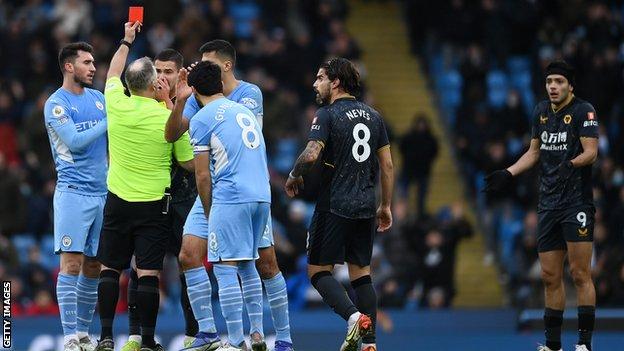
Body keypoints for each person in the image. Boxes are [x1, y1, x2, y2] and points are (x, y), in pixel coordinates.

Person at [169, 40, 293, 351]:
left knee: (245, 263)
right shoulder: (222, 106)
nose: (199, 67)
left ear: (225, 65)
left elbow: (201, 173)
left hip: (225, 189)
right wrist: (182, 101)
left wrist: (214, 213)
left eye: (205, 64)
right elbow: (171, 133)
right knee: (190, 254)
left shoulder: (249, 94)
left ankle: (243, 339)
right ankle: (211, 334)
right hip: (249, 189)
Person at [484, 61, 599, 351]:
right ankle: (553, 345)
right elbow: (534, 152)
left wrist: (569, 165)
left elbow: (592, 153)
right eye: (550, 81)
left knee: (580, 273)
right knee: (549, 276)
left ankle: (584, 343)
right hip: (548, 204)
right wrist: (508, 172)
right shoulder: (541, 112)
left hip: (576, 203)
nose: (553, 86)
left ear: (570, 86)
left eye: (559, 81)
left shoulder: (584, 111)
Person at [94, 22, 194, 351]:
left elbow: (113, 72)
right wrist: (171, 102)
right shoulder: (167, 119)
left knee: (110, 269)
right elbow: (186, 160)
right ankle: (148, 341)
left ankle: (107, 336)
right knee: (148, 274)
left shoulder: (115, 103)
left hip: (118, 200)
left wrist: (126, 39)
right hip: (154, 205)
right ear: (155, 84)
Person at [284, 58, 394, 351]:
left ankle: (354, 317)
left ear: (335, 82)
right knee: (362, 274)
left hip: (334, 204)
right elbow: (388, 165)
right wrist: (385, 206)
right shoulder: (374, 116)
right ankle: (370, 344)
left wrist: (294, 175)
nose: (314, 84)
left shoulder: (327, 114)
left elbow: (310, 154)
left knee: (318, 272)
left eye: (320, 78)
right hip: (365, 206)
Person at [184, 60, 271, 351]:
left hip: (232, 196)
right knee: (247, 263)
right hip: (261, 195)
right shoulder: (244, 110)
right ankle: (257, 333)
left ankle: (235, 342)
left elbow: (202, 173)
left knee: (223, 266)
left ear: (193, 90)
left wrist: (210, 212)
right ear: (221, 85)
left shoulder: (202, 118)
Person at [122, 48, 200, 351]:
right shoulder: (137, 104)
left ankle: (194, 334)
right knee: (141, 267)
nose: (161, 77)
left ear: (179, 74)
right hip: (148, 196)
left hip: (183, 196)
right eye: (157, 71)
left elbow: (186, 154)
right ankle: (136, 335)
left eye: (168, 72)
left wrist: (174, 101)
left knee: (188, 264)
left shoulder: (192, 104)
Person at [44, 41, 107, 351]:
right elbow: (75, 141)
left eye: (93, 62)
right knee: (71, 264)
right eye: (86, 62)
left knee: (94, 265)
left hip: (103, 194)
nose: (93, 67)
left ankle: (83, 334)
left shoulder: (98, 99)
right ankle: (69, 336)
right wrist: (111, 122)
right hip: (73, 194)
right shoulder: (56, 104)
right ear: (69, 67)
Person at [398, 114, 438, 218]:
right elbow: (401, 148)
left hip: (423, 171)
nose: (421, 127)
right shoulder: (409, 137)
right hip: (408, 170)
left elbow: (435, 152)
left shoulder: (430, 139)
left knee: (421, 196)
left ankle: (420, 213)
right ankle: (403, 212)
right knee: (403, 193)